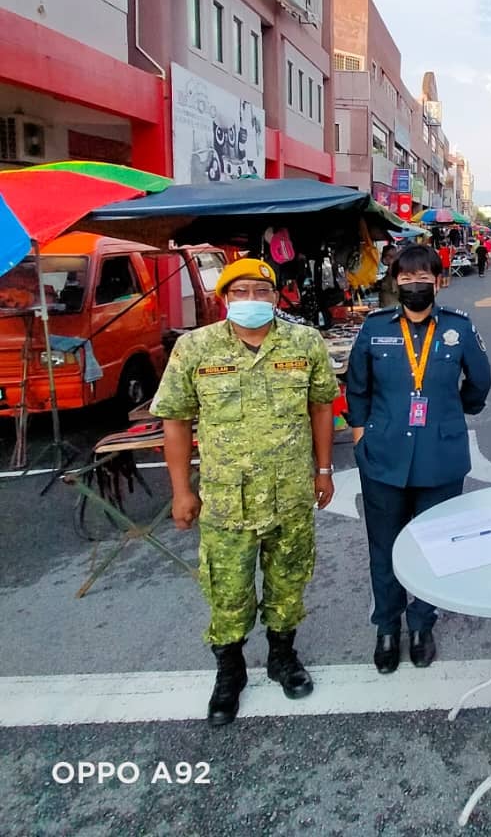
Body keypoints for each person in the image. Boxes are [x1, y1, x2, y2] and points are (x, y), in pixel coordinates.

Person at [151, 258, 339, 726]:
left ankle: (282, 658)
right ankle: (230, 672)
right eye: (241, 292)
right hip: (225, 500)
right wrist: (181, 491)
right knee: (228, 590)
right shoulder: (196, 348)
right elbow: (175, 421)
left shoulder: (304, 341)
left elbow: (321, 407)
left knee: (288, 582)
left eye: (261, 291)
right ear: (224, 299)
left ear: (276, 297)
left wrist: (324, 469)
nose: (251, 301)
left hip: (292, 492)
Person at [346, 244, 491, 673]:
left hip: (440, 458)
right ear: (395, 282)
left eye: (423, 277)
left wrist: (454, 409)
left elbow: (480, 381)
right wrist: (360, 437)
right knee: (385, 548)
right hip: (383, 457)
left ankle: (422, 624)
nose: (414, 285)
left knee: (435, 546)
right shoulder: (374, 329)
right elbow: (357, 388)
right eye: (406, 279)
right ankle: (387, 627)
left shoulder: (458, 329)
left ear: (439, 282)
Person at [376, 243, 399, 309]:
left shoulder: (397, 274)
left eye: (392, 256)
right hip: (386, 309)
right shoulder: (388, 274)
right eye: (386, 256)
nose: (387, 258)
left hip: (394, 310)